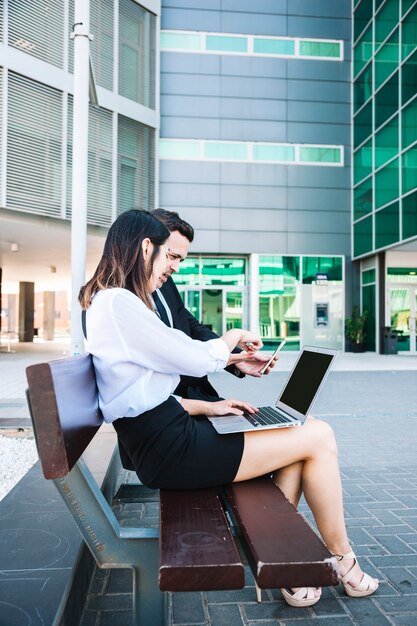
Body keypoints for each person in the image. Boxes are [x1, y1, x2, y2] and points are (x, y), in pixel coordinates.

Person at [79, 209, 378, 608]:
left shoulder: (113, 303)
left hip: (169, 433)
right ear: (146, 247)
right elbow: (193, 360)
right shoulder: (119, 304)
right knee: (318, 435)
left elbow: (136, 392)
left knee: (295, 442)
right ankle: (342, 562)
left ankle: (287, 561)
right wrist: (234, 336)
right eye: (168, 255)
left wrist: (208, 408)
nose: (170, 268)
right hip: (171, 447)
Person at [151, 208, 274, 402]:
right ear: (148, 246)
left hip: (195, 396)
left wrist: (237, 357)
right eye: (171, 256)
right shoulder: (126, 300)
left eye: (180, 260)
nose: (176, 267)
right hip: (176, 405)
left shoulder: (165, 282)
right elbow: (176, 355)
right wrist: (234, 340)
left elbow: (191, 327)